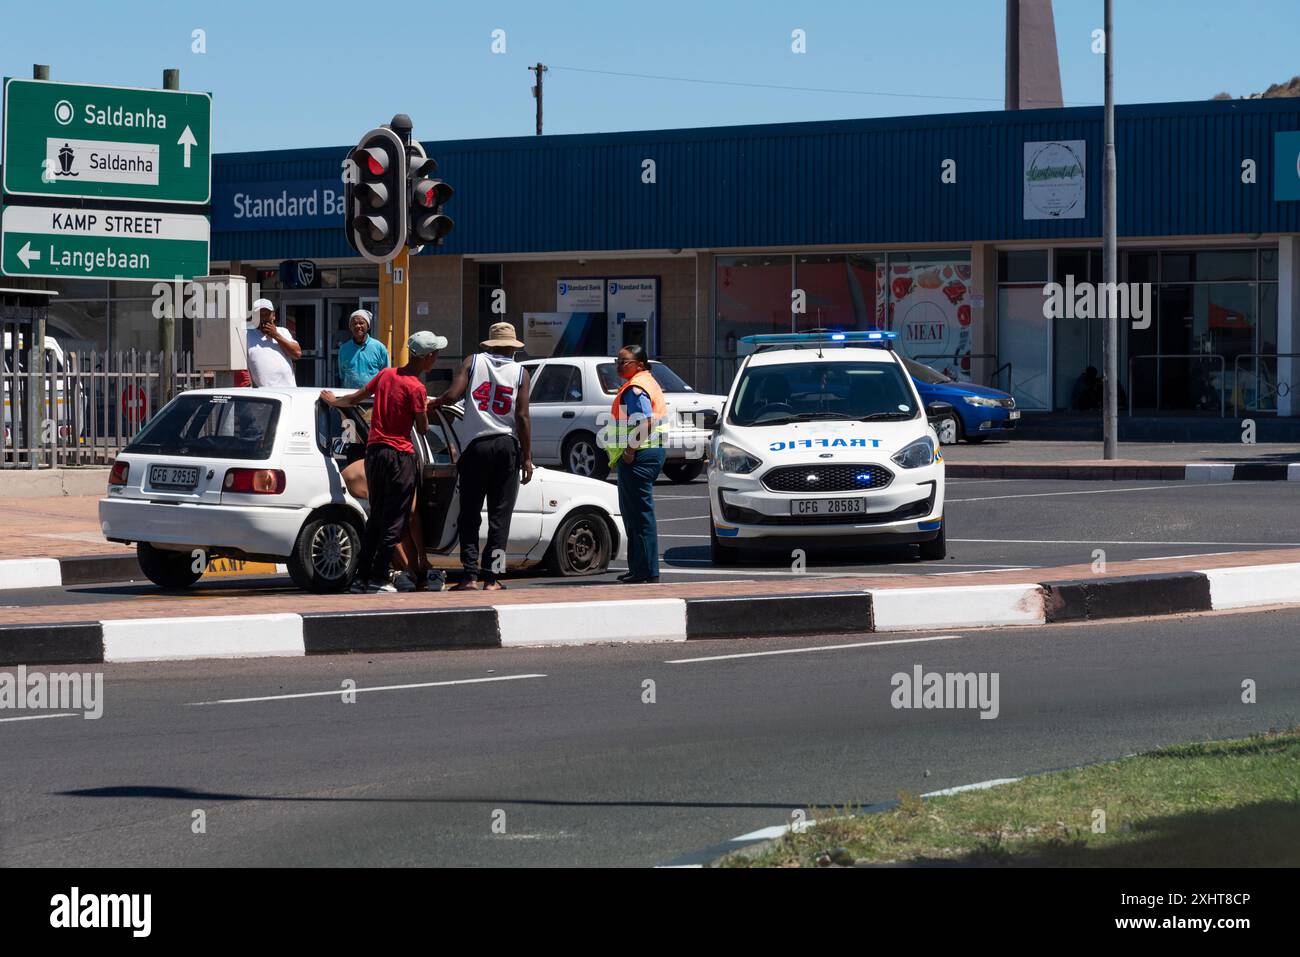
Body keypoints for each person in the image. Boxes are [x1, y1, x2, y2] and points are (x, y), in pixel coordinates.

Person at [320, 331, 446, 593]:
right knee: (394, 520)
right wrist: (426, 409)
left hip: (374, 453)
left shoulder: (386, 374)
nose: (436, 359)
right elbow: (422, 429)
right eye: (436, 354)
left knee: (376, 517)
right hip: (399, 456)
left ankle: (360, 578)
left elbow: (354, 398)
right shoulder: (417, 388)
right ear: (428, 357)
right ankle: (378, 578)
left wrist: (333, 402)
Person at [429, 321, 533, 591]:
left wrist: (435, 403)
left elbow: (453, 395)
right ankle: (492, 577)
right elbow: (521, 416)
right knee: (500, 516)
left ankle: (469, 575)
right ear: (513, 347)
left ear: (490, 344)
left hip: (476, 446)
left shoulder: (473, 362)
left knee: (470, 514)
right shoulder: (521, 372)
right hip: (506, 445)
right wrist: (527, 457)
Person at [606, 345, 669, 584]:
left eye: (625, 361)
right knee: (637, 514)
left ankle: (645, 571)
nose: (619, 366)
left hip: (640, 454)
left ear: (640, 364)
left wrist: (630, 450)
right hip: (650, 451)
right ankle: (640, 569)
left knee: (638, 515)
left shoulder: (635, 387)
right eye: (618, 361)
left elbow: (645, 421)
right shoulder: (646, 381)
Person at [246, 298, 301, 387]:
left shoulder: (283, 331)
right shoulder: (247, 334)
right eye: (259, 315)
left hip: (288, 388)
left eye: (267, 314)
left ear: (273, 316)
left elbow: (297, 354)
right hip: (265, 392)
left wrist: (276, 335)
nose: (263, 318)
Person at [337, 308, 390, 390]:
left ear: (368, 326)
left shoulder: (379, 348)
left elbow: (386, 375)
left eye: (361, 323)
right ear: (350, 327)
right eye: (354, 323)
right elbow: (342, 375)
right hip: (349, 396)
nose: (358, 326)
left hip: (372, 397)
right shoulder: (344, 349)